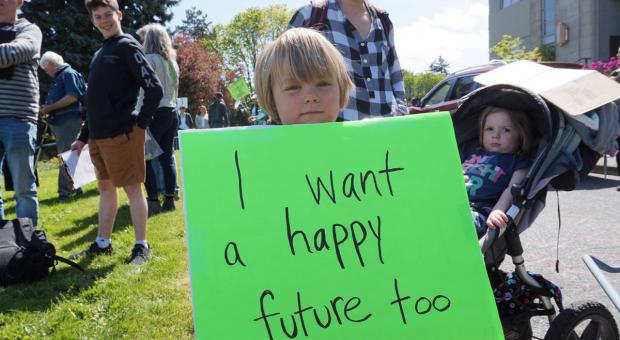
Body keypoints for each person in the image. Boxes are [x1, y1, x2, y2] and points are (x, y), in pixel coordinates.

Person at [70, 0, 163, 265]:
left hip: (123, 133)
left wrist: (141, 124)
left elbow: (153, 88)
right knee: (105, 188)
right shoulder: (100, 53)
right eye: (98, 16)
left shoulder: (127, 45)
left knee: (133, 189)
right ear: (93, 21)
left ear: (119, 14)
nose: (104, 20)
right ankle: (103, 243)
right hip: (98, 137)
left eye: (108, 14)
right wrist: (83, 138)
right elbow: (94, 101)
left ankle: (141, 246)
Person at [288, 0, 407, 121]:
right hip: (333, 134)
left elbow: (395, 74)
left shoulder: (383, 21)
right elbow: (282, 76)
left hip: (387, 131)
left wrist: (401, 112)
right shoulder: (310, 16)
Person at [254, 27, 354, 125]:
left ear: (341, 90)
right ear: (272, 101)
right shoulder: (251, 142)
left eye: (323, 84)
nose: (311, 97)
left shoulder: (363, 140)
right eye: (293, 87)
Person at [461, 106, 534, 238]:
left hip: (481, 210)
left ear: (520, 135)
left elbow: (512, 190)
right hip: (455, 202)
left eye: (506, 130)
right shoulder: (471, 153)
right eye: (489, 129)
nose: (495, 135)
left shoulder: (518, 161)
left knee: (462, 220)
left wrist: (498, 210)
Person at [0, 0, 42, 227]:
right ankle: (2, 248)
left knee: (24, 188)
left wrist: (7, 50)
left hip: (19, 118)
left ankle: (27, 246)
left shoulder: (29, 30)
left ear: (19, 1)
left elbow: (13, 53)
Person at [135, 23, 180, 216]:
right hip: (171, 111)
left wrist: (138, 115)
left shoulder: (148, 60)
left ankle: (152, 201)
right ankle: (170, 198)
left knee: (146, 158)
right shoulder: (172, 62)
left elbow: (143, 92)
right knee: (167, 157)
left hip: (154, 113)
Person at [39, 51, 86, 200]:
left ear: (51, 64)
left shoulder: (67, 74)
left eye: (46, 70)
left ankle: (64, 193)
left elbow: (72, 97)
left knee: (65, 155)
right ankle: (76, 188)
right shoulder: (65, 74)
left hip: (67, 119)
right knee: (70, 155)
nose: (47, 73)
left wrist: (49, 108)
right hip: (65, 120)